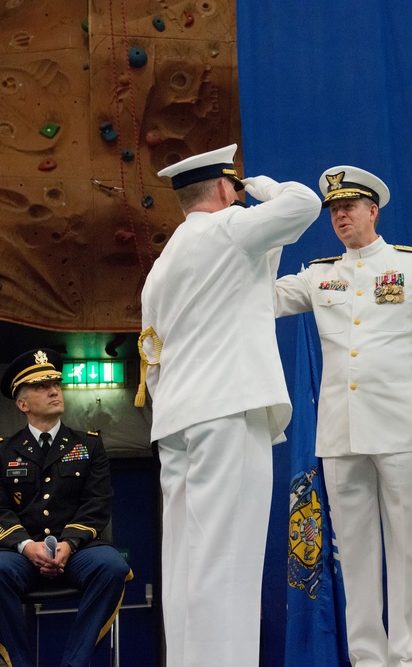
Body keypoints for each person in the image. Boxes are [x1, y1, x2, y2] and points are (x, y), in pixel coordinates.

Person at [140, 143, 321, 666]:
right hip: (227, 412)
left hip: (177, 421)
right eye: (234, 186)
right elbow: (303, 203)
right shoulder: (226, 231)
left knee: (185, 564)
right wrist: (259, 186)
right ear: (225, 188)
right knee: (228, 561)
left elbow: (153, 355)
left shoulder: (164, 262)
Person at [275, 166, 412, 667]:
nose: (340, 216)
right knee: (351, 554)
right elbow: (263, 299)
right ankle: (368, 657)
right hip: (340, 432)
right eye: (333, 209)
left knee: (409, 550)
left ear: (373, 210)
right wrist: (269, 228)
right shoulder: (320, 273)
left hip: (401, 428)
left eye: (349, 207)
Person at [0, 348, 132, 667]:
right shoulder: (0, 452)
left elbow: (97, 503)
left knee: (113, 566)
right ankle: (21, 662)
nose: (54, 390)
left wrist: (69, 543)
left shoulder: (88, 446)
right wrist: (27, 545)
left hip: (77, 552)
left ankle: (75, 663)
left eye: (56, 383)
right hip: (21, 554)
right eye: (42, 386)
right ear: (23, 403)